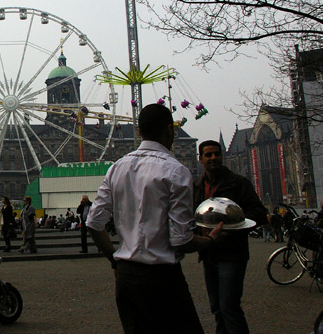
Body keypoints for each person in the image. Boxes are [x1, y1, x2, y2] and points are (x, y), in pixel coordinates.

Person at [87, 104, 223, 334]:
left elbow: (93, 223)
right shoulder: (176, 171)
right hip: (162, 279)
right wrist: (209, 241)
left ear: (139, 131)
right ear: (171, 130)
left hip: (127, 279)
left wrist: (116, 261)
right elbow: (181, 240)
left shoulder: (116, 168)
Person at [195, 139, 268, 334]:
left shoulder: (238, 182)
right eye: (208, 155)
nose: (213, 158)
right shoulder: (197, 186)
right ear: (200, 158)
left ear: (222, 155)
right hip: (208, 253)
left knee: (229, 307)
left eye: (216, 154)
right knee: (217, 308)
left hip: (231, 254)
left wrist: (232, 223)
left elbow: (259, 213)